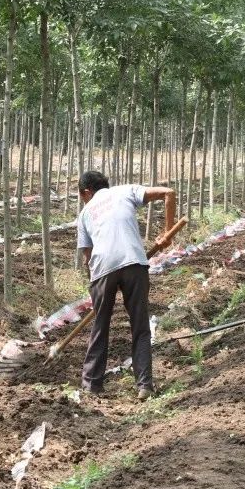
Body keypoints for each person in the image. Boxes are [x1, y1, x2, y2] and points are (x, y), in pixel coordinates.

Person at [76, 170, 176, 400]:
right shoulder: (125, 191)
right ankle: (144, 385)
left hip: (102, 269)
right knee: (140, 325)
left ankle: (92, 385)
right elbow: (168, 192)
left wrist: (96, 291)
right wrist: (167, 233)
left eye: (82, 195)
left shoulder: (84, 215)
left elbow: (87, 258)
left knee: (100, 326)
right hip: (134, 264)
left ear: (87, 192)